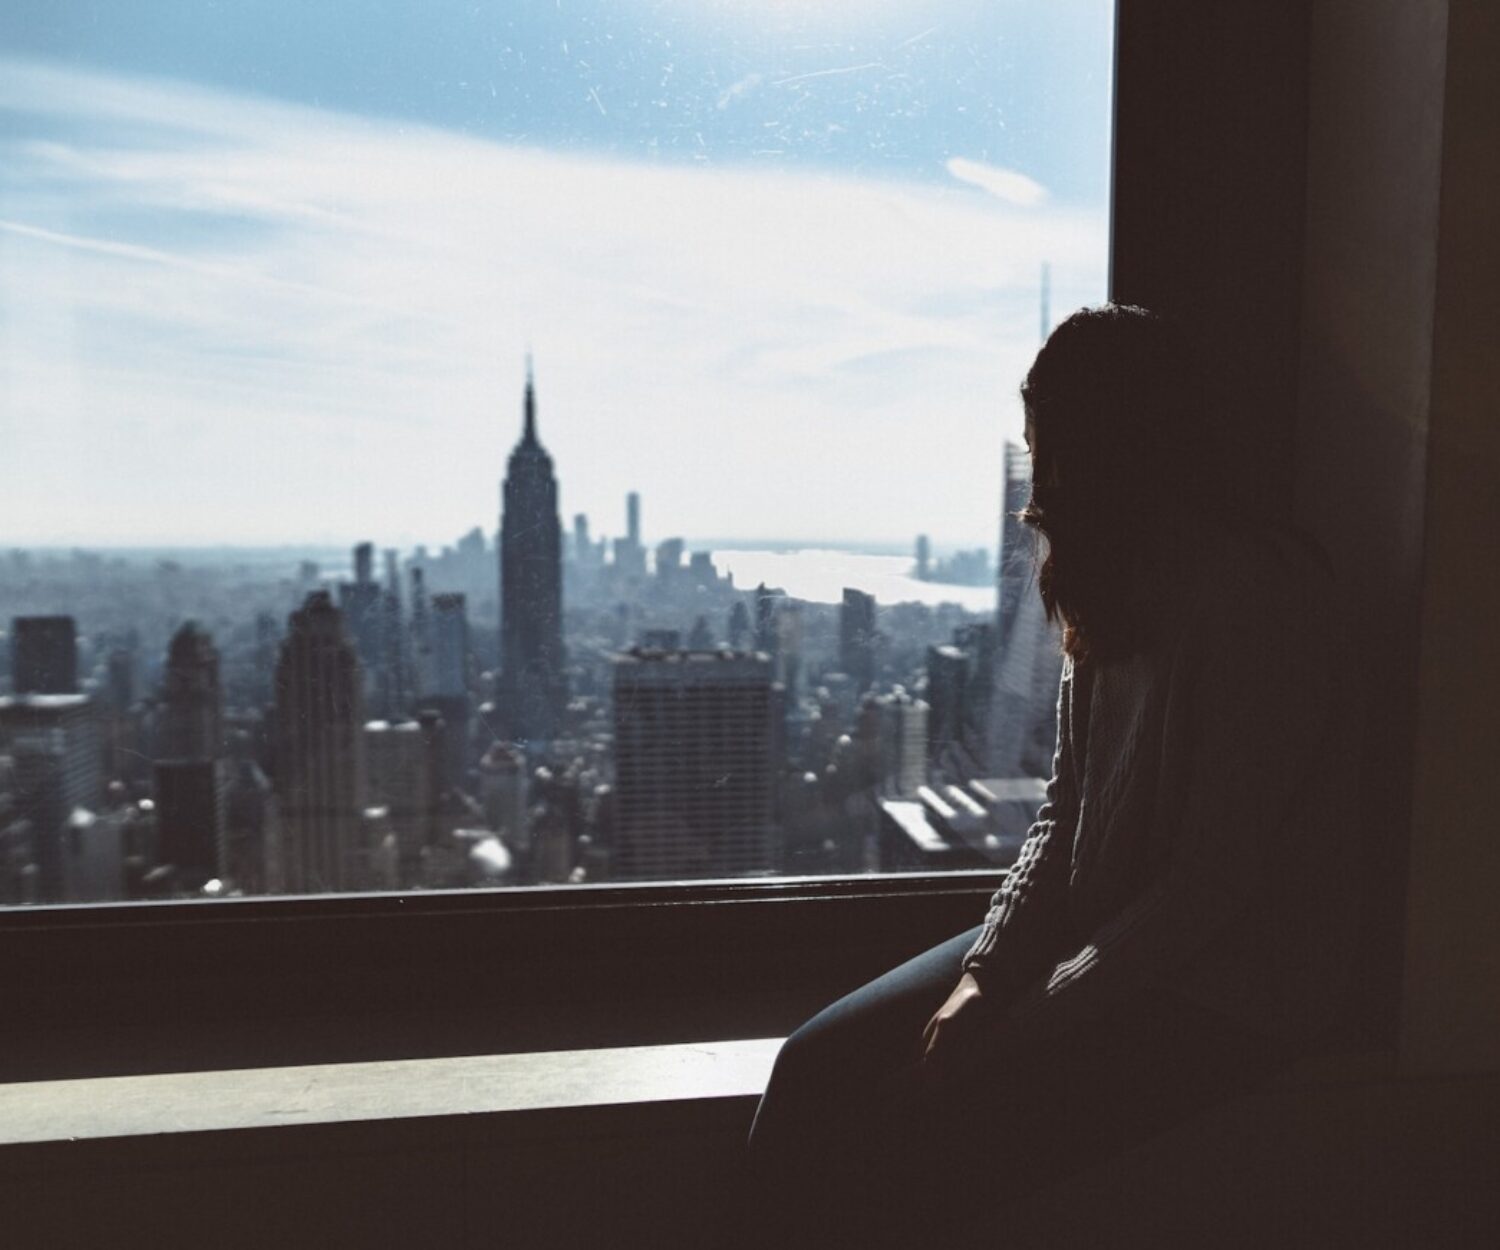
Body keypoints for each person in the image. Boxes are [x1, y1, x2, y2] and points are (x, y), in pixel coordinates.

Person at [745, 304, 1360, 1246]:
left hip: (1225, 989)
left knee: (909, 1147)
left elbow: (1205, 892)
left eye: (1052, 445)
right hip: (1104, 934)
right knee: (811, 1068)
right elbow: (1066, 809)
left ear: (1122, 442)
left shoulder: (1260, 601)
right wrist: (984, 980)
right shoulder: (1115, 574)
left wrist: (1022, 1024)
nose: (1040, 477)